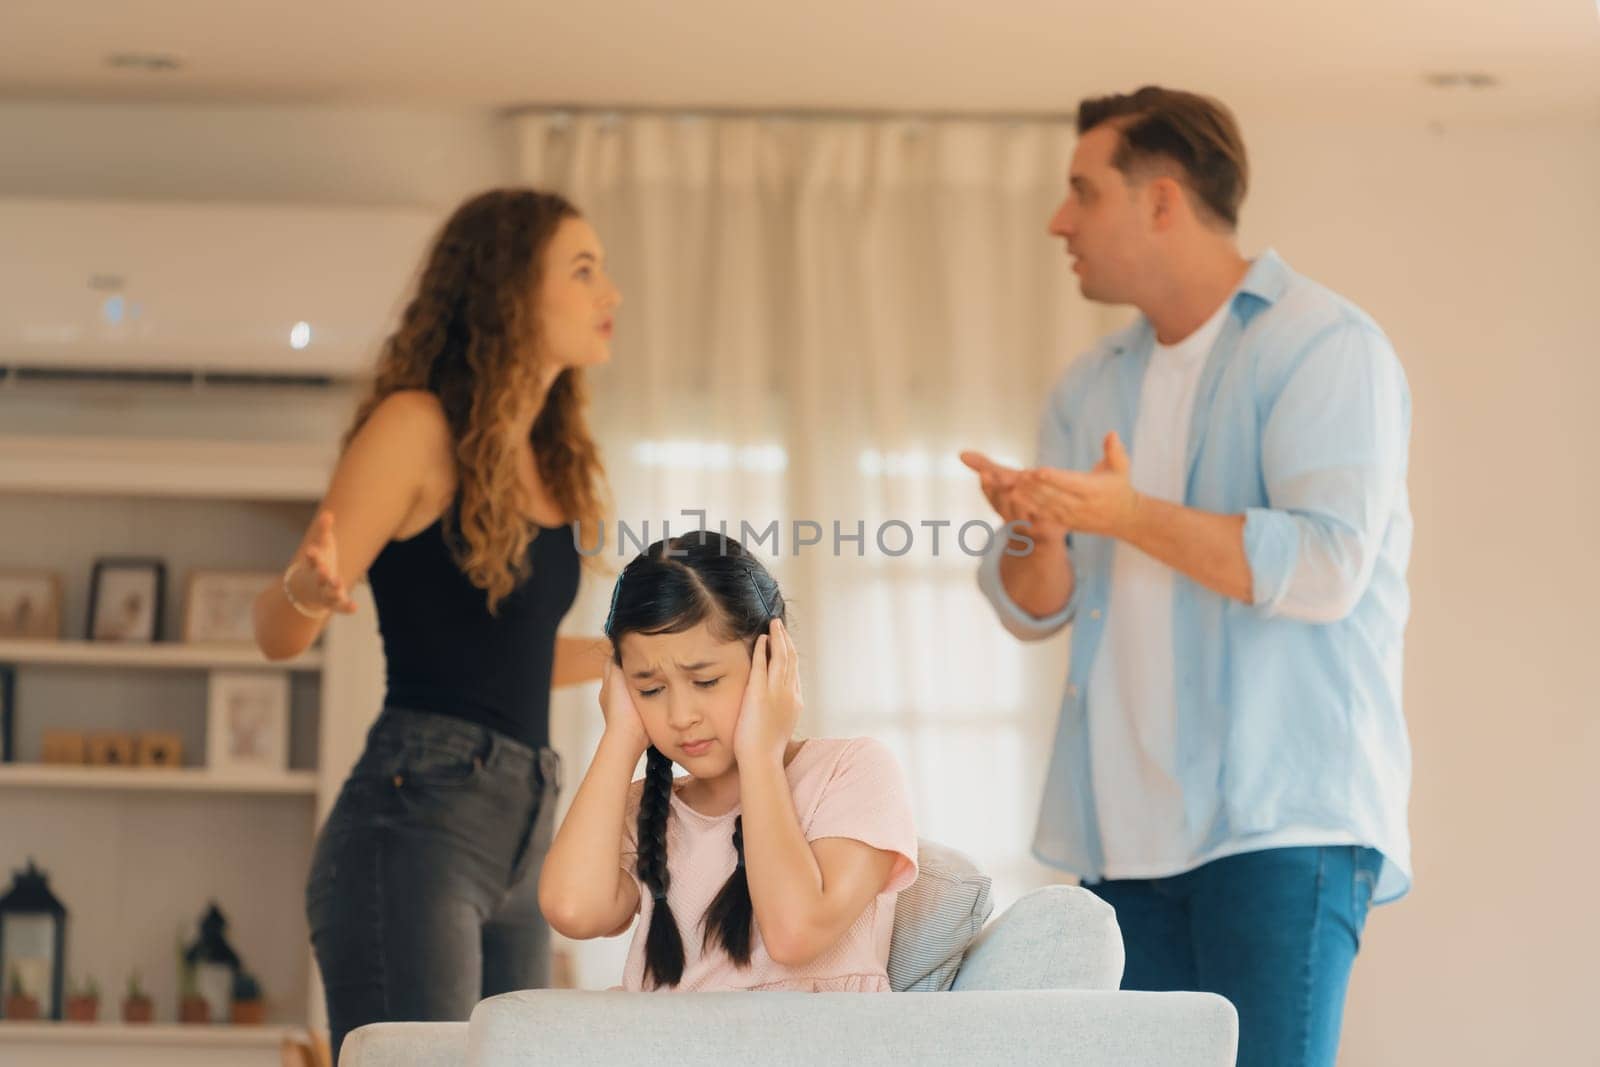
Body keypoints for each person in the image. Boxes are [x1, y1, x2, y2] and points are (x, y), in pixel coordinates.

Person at [963, 87, 1412, 1067]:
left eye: (1082, 191)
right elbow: (1037, 605)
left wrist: (1125, 514)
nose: (1058, 220)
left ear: (1161, 200)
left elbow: (1328, 564)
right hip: (1118, 840)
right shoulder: (1087, 386)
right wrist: (1041, 529)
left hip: (1280, 828)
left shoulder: (1323, 346)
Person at [251, 188, 620, 1061]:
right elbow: (277, 631)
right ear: (507, 289)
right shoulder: (415, 428)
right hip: (416, 821)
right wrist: (307, 586)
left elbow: (508, 658)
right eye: (583, 269)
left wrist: (643, 659)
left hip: (529, 822)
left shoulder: (548, 462)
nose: (610, 293)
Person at [539, 531, 918, 992]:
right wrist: (620, 735)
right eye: (650, 689)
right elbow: (574, 911)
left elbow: (794, 933)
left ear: (773, 659)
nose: (680, 717)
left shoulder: (852, 770)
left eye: (707, 681)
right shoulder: (647, 808)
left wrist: (760, 753)